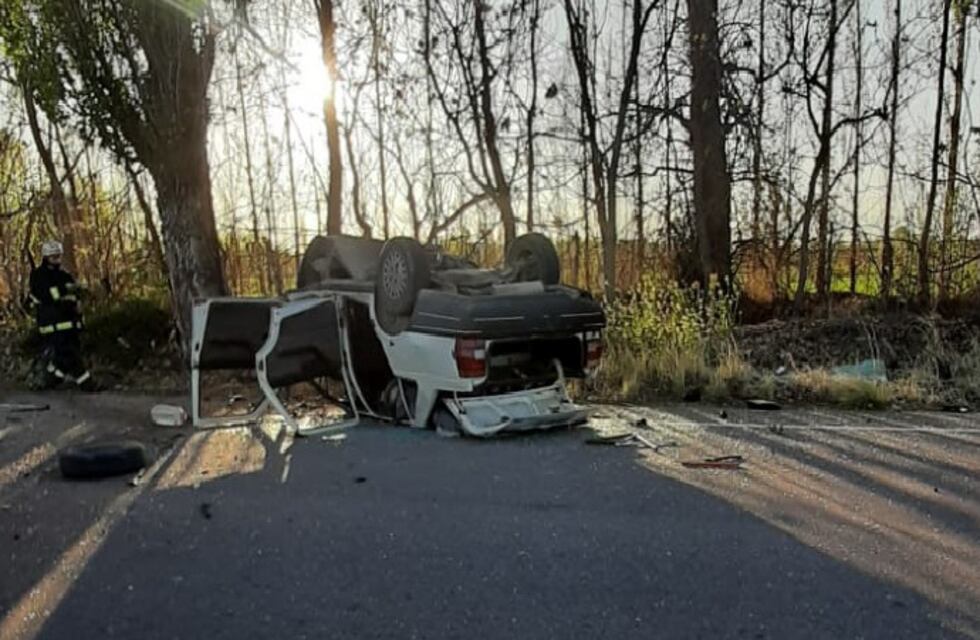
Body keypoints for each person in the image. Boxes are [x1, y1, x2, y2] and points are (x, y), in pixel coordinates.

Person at [28, 240, 98, 391]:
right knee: (69, 354)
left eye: (58, 256)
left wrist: (78, 299)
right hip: (52, 324)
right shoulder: (38, 276)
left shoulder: (65, 275)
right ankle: (87, 384)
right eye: (53, 257)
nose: (57, 260)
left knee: (64, 356)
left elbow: (73, 299)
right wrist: (65, 291)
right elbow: (47, 296)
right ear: (46, 257)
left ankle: (51, 379)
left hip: (70, 323)